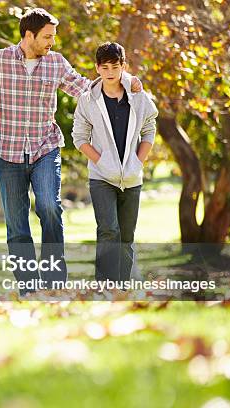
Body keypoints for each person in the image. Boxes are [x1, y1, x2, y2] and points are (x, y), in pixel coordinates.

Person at [0, 8, 142, 292]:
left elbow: (86, 88)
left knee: (49, 207)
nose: (52, 42)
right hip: (7, 152)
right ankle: (28, 287)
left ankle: (54, 282)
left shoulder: (55, 63)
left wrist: (125, 81)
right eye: (47, 36)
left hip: (46, 147)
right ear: (29, 35)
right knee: (17, 225)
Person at [72, 42, 158, 282]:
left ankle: (123, 286)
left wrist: (138, 161)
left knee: (127, 235)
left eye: (115, 66)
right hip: (101, 177)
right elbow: (79, 138)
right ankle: (105, 285)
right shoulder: (88, 100)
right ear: (97, 68)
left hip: (132, 177)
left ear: (124, 67)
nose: (110, 72)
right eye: (105, 67)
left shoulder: (138, 96)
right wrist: (102, 162)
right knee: (109, 230)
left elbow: (150, 127)